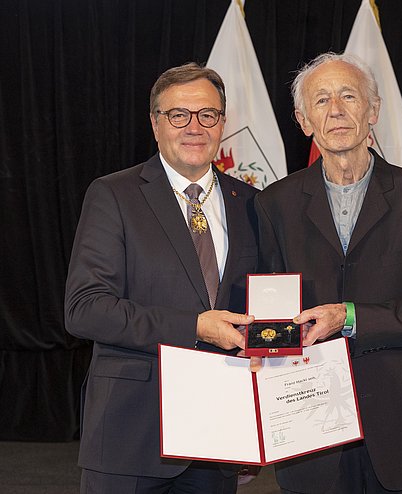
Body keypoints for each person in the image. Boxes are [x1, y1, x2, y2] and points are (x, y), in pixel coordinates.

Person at [253, 52, 402, 493]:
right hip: (307, 428)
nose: (336, 110)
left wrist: (350, 317)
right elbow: (266, 319)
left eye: (349, 96)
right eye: (321, 100)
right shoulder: (273, 205)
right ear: (303, 120)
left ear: (372, 110)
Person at [65, 62, 259, 493]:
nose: (194, 126)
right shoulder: (113, 194)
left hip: (217, 439)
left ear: (222, 123)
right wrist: (194, 327)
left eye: (207, 114)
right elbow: (85, 310)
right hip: (130, 434)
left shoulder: (251, 203)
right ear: (155, 124)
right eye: (178, 115)